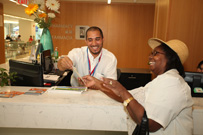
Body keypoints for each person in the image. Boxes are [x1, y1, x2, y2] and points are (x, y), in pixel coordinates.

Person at [82, 38, 194, 135]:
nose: (150, 57)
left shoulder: (172, 82)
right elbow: (130, 98)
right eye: (151, 53)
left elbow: (150, 124)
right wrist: (99, 84)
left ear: (170, 58)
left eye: (156, 53)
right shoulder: (159, 82)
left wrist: (122, 91)